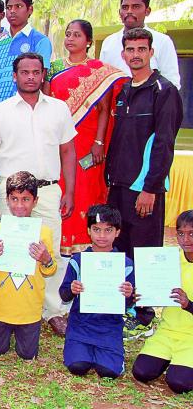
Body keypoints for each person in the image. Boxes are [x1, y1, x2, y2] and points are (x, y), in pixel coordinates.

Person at [0, 52, 77, 336]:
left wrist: (69, 191)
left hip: (48, 190)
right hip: (10, 192)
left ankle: (52, 311)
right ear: (15, 75)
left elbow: (68, 151)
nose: (31, 77)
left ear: (43, 74)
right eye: (25, 72)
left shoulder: (59, 109)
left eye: (36, 72)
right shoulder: (0, 111)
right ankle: (9, 310)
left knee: (51, 251)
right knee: (11, 251)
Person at [45, 20, 128, 256]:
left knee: (86, 190)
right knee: (61, 187)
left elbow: (104, 109)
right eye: (68, 34)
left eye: (77, 35)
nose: (70, 39)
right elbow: (47, 103)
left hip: (87, 142)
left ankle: (86, 244)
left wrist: (99, 143)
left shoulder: (100, 71)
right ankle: (60, 243)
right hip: (59, 140)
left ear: (89, 41)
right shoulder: (53, 68)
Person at [105, 28, 183, 258]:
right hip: (118, 188)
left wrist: (150, 188)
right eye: (131, 49)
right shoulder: (124, 90)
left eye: (141, 49)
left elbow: (164, 143)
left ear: (151, 52)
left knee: (144, 256)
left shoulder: (164, 91)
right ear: (123, 55)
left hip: (144, 190)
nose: (136, 54)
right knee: (119, 256)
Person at [0, 172, 57, 359]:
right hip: (0, 306)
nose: (20, 205)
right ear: (7, 200)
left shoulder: (44, 233)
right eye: (14, 199)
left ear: (35, 201)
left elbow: (50, 269)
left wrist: (46, 259)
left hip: (29, 309)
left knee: (27, 354)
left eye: (26, 199)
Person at [59, 204, 135, 379]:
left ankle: (111, 355)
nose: (102, 236)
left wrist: (129, 294)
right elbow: (63, 294)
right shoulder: (78, 260)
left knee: (108, 372)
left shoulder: (125, 264)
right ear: (88, 231)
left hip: (109, 327)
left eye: (108, 230)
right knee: (77, 367)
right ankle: (81, 350)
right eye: (96, 229)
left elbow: (130, 303)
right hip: (81, 325)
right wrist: (71, 289)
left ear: (117, 232)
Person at [131, 210, 193, 394]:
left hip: (191, 336)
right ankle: (171, 359)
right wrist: (143, 297)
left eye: (191, 233)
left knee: (178, 383)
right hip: (167, 330)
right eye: (181, 233)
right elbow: (156, 290)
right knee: (141, 372)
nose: (186, 239)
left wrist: (188, 305)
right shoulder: (169, 260)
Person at [0, 0, 52, 110]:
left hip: (26, 111)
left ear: (30, 10)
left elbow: (41, 80)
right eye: (9, 7)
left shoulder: (40, 41)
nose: (12, 11)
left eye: (18, 6)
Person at [99, 0, 180, 88]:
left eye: (135, 7)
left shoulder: (162, 41)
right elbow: (102, 82)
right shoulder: (109, 42)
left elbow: (172, 83)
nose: (129, 11)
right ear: (119, 12)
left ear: (147, 11)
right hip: (116, 103)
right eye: (125, 7)